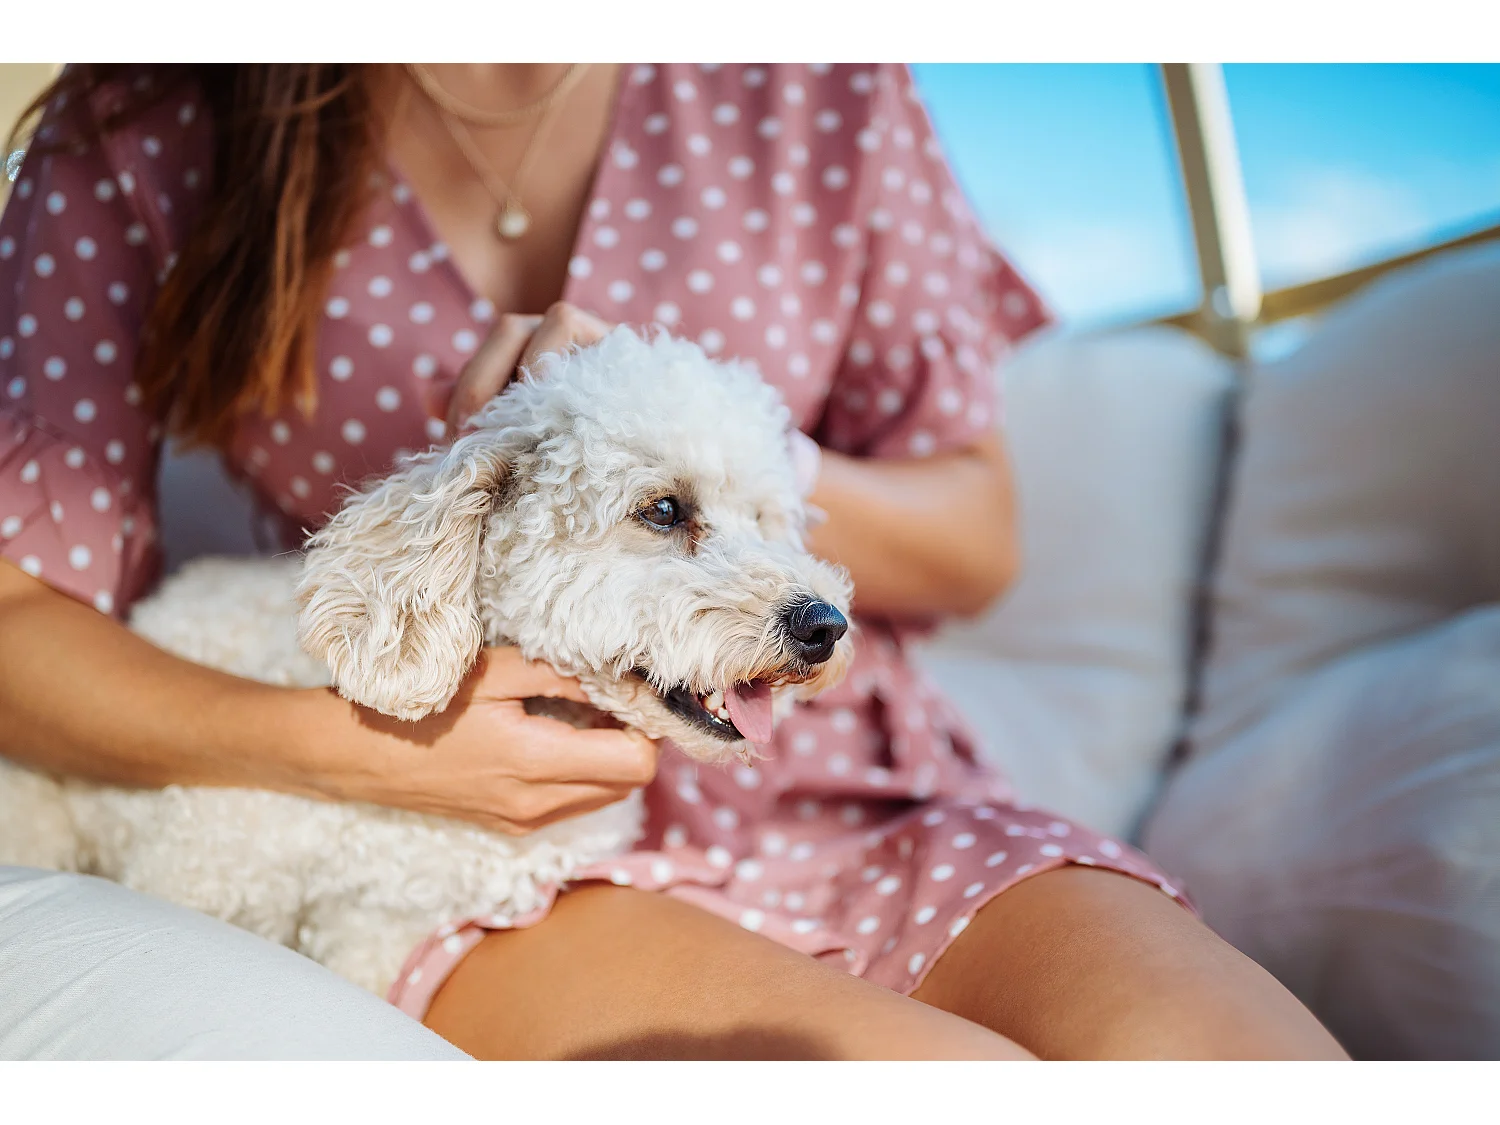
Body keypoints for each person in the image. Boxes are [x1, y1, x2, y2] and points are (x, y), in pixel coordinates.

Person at [0, 62, 1346, 1060]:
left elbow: (977, 536)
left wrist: (739, 457)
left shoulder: (822, 84)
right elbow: (17, 606)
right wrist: (368, 745)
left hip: (851, 788)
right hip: (453, 822)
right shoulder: (147, 119)